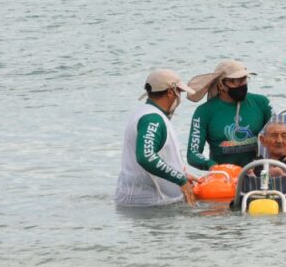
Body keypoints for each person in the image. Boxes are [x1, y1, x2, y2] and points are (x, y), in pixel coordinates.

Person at [114, 69, 197, 207]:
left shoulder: (144, 113)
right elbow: (146, 156)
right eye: (179, 93)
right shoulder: (153, 119)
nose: (179, 98)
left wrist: (180, 173)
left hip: (140, 202)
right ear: (171, 92)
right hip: (151, 205)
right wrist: (180, 179)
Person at [186, 60, 272, 170]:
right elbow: (192, 153)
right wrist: (211, 165)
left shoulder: (262, 103)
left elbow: (280, 135)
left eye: (244, 79)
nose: (242, 85)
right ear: (221, 85)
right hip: (224, 176)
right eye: (236, 81)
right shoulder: (203, 112)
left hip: (259, 173)